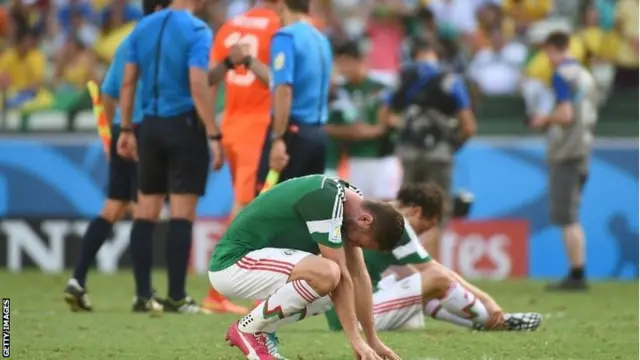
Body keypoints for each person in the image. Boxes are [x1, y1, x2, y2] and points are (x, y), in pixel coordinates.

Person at [209, 175, 404, 360]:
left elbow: (359, 275)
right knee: (328, 274)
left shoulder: (348, 204)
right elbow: (342, 277)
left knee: (330, 291)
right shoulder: (325, 199)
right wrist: (356, 341)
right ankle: (247, 330)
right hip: (232, 264)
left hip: (257, 265)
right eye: (361, 243)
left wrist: (372, 340)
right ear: (365, 220)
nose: (355, 247)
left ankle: (262, 331)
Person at [117, 0, 224, 313]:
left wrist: (125, 128)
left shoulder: (143, 26)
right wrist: (213, 132)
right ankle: (177, 296)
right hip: (184, 126)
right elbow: (197, 83)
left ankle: (141, 295)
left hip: (148, 127)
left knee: (146, 209)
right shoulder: (196, 30)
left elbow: (127, 82)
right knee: (182, 212)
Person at [324, 183, 542, 332]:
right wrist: (487, 300)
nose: (421, 235)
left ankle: (483, 322)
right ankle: (496, 321)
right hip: (353, 316)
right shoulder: (398, 224)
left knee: (420, 286)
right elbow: (436, 273)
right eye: (425, 228)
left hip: (341, 310)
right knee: (436, 278)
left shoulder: (375, 212)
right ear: (416, 211)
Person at [63, 0, 166, 313]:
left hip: (124, 129)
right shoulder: (163, 40)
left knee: (115, 205)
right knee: (146, 209)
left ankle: (77, 280)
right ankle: (143, 294)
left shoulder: (129, 42)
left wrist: (113, 135)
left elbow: (108, 93)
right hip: (149, 130)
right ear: (161, 8)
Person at [202, 0, 280, 315]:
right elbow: (281, 80)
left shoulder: (230, 27)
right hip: (258, 127)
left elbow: (210, 79)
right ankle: (218, 289)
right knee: (248, 209)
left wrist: (213, 135)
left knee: (250, 206)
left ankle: (252, 288)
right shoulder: (279, 26)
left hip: (230, 124)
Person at [385, 37, 477, 257]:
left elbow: (386, 117)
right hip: (439, 153)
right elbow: (469, 126)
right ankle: (430, 266)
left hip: (409, 153)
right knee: (436, 211)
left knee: (407, 206)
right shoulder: (450, 79)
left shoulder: (402, 77)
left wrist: (405, 131)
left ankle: (404, 262)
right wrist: (452, 145)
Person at [529, 31, 598, 291]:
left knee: (567, 215)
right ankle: (577, 272)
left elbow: (566, 115)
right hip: (584, 147)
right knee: (572, 212)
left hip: (567, 151)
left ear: (551, 48)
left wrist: (544, 120)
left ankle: (577, 274)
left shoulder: (561, 75)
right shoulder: (586, 76)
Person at [255, 0, 333, 191]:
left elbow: (283, 89)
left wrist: (278, 138)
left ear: (282, 5)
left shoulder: (286, 37)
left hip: (292, 136)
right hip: (317, 135)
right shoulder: (321, 40)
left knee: (267, 200)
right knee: (305, 208)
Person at [326, 41, 401, 201]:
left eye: (346, 63)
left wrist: (376, 130)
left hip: (383, 158)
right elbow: (327, 127)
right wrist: (352, 132)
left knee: (387, 207)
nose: (343, 68)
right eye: (339, 64)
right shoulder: (339, 92)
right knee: (358, 208)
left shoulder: (382, 89)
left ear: (359, 60)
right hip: (355, 159)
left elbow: (394, 120)